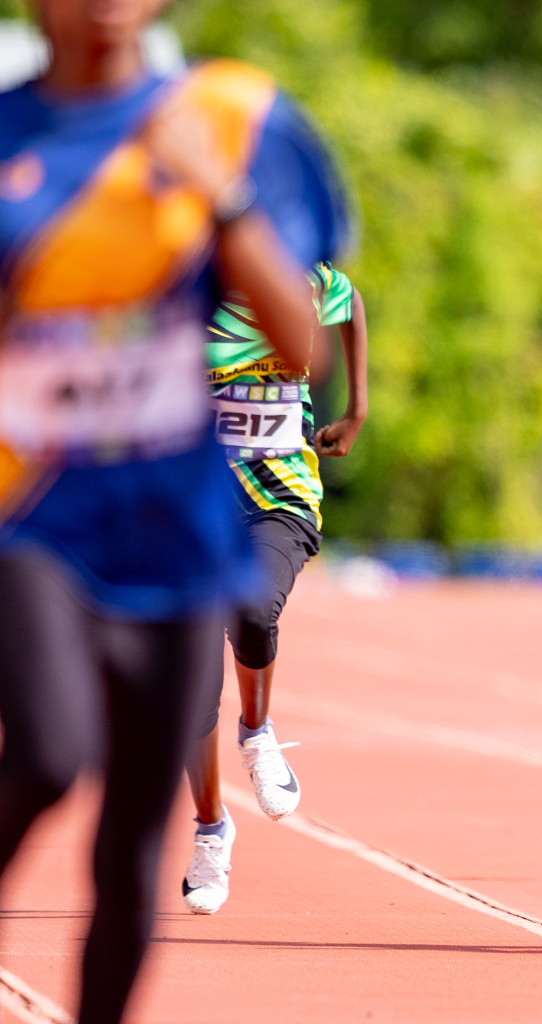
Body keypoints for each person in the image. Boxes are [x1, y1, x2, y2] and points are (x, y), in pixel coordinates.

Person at [0, 0, 347, 1017]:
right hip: (33, 518)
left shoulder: (242, 121)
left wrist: (225, 197)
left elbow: (302, 343)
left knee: (134, 842)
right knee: (54, 752)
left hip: (178, 531)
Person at [181, 261, 367, 914]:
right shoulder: (175, 281)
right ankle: (211, 831)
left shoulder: (298, 274)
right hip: (192, 506)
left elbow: (348, 301)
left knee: (255, 609)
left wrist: (356, 409)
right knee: (191, 682)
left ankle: (256, 731)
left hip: (281, 494)